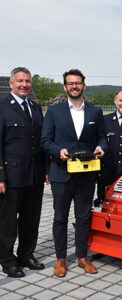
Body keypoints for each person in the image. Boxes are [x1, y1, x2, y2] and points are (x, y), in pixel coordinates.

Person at [41, 69, 107, 277]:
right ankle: (60, 258)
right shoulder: (54, 112)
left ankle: (81, 256)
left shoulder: (95, 112)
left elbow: (102, 138)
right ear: (65, 87)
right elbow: (45, 141)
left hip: (86, 175)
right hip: (62, 173)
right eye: (70, 83)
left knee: (83, 216)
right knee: (60, 218)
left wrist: (101, 147)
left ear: (84, 86)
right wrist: (57, 152)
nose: (74, 86)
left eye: (78, 83)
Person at [0, 67, 47, 277]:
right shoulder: (2, 107)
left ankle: (26, 255)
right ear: (11, 84)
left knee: (31, 219)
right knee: (8, 222)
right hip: (11, 176)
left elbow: (41, 142)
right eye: (20, 81)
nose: (24, 85)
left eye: (27, 81)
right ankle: (7, 261)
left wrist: (45, 170)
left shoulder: (36, 109)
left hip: (34, 174)